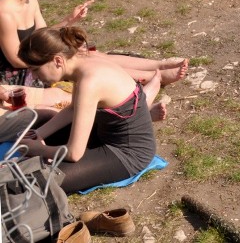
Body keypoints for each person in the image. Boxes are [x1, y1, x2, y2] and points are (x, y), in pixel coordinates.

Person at [0, 0, 188, 87]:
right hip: (23, 73)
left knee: (91, 54)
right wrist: (61, 54)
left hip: (37, 58)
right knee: (84, 60)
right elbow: (16, 60)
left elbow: (41, 36)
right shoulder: (4, 12)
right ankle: (156, 77)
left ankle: (159, 66)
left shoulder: (30, 0)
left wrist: (69, 20)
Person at [18, 26, 157, 194]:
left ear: (57, 61)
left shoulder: (90, 82)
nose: (34, 77)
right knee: (35, 125)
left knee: (36, 182)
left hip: (127, 154)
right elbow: (72, 109)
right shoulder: (82, 63)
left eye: (35, 70)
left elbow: (74, 153)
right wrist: (39, 134)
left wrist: (38, 149)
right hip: (103, 134)